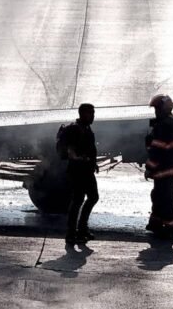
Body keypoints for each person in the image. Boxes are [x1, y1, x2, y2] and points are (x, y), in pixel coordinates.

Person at [144, 94, 173, 241]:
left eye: (156, 109)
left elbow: (157, 150)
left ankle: (171, 228)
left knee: (165, 197)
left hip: (163, 169)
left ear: (162, 109)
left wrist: (149, 168)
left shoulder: (162, 126)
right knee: (159, 195)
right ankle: (156, 223)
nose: (155, 112)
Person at [59, 103, 98, 245]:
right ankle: (71, 233)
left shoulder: (87, 129)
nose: (93, 116)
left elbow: (90, 149)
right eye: (90, 113)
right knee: (78, 200)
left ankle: (81, 229)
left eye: (93, 113)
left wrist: (93, 163)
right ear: (82, 114)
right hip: (78, 171)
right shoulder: (74, 129)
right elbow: (69, 150)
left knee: (92, 197)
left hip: (87, 170)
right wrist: (77, 157)